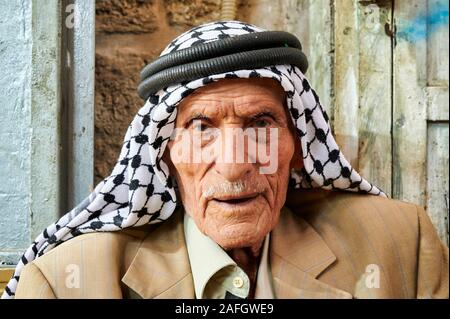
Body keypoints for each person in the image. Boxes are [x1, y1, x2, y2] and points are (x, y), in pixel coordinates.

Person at [5, 20, 448, 299]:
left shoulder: (398, 246)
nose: (235, 165)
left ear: (299, 147)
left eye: (260, 123)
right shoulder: (67, 282)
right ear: (167, 155)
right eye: (201, 127)